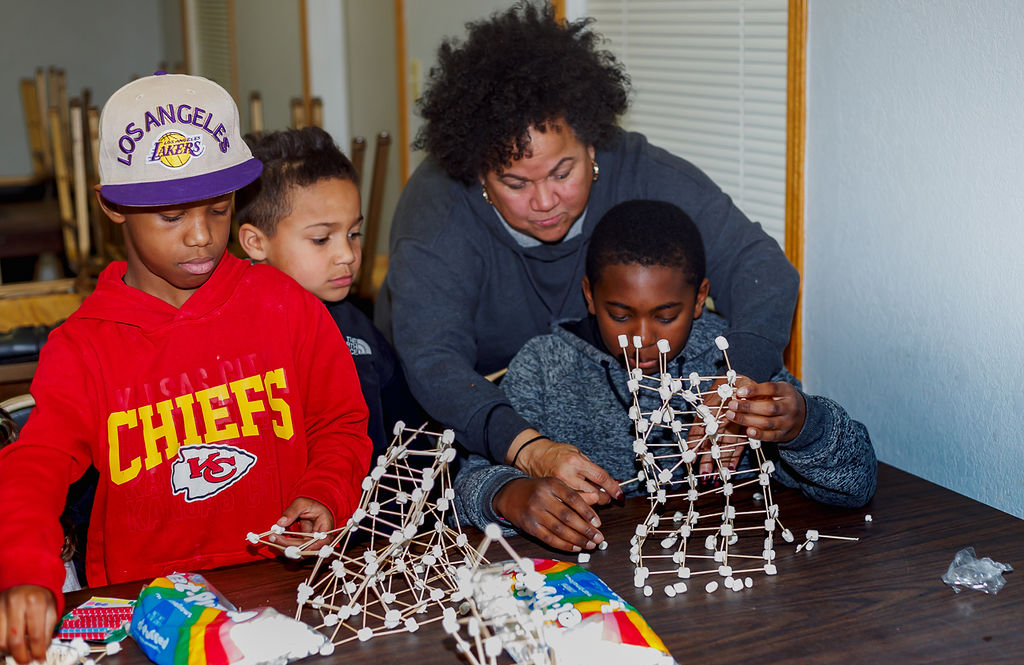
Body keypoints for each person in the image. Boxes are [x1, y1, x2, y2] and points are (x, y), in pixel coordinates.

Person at [0, 74, 372, 664]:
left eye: (218, 210)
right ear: (114, 206)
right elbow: (33, 468)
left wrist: (324, 495)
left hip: (281, 595)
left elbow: (341, 422)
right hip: (140, 612)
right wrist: (24, 569)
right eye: (171, 216)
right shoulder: (85, 345)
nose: (200, 236)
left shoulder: (284, 305)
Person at [376, 2, 800, 505]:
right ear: (478, 174)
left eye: (563, 172)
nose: (545, 201)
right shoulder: (438, 211)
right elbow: (434, 362)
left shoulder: (643, 171)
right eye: (514, 183)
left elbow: (763, 271)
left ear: (594, 145)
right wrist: (527, 451)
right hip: (454, 439)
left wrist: (736, 381)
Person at [454, 200, 877, 552]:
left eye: (666, 315)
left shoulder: (729, 362)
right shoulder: (544, 367)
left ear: (698, 300)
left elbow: (855, 486)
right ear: (589, 296)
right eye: (620, 315)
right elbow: (468, 485)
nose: (642, 338)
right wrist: (508, 496)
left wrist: (803, 425)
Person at [236, 126, 420, 455]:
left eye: (354, 233)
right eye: (322, 239)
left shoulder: (359, 331)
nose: (348, 255)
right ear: (256, 242)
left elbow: (407, 433)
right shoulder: (239, 343)